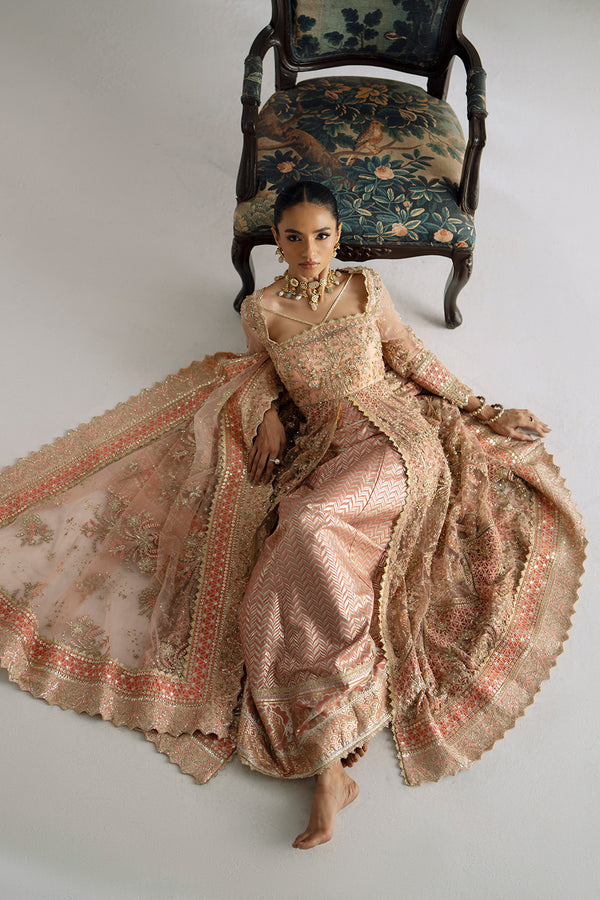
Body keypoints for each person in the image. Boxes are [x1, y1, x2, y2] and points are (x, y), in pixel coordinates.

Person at [0, 181, 585, 850]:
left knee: (309, 525)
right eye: (295, 237)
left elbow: (410, 356)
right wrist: (268, 413)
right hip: (325, 451)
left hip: (397, 440)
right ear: (276, 240)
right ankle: (330, 763)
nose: (310, 250)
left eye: (323, 235)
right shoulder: (262, 311)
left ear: (338, 237)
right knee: (273, 579)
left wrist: (483, 409)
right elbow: (257, 375)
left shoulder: (364, 289)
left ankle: (340, 725)